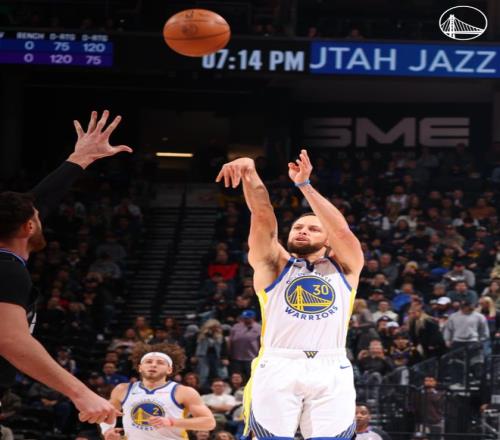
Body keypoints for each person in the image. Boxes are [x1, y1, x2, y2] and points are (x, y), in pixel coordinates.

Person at [215, 150, 364, 439]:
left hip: (331, 364)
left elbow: (342, 232)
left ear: (327, 241)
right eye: (297, 227)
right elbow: (262, 216)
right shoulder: (274, 264)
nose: (302, 231)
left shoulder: (346, 267)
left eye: (313, 229)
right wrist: (250, 173)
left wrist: (305, 186)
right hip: (279, 363)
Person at [0, 110, 131, 424]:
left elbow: (36, 202)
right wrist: (80, 393)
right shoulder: (7, 268)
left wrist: (80, 159)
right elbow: (10, 340)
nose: (42, 214)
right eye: (38, 217)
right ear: (29, 227)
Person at [101, 343, 215, 440]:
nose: (153, 365)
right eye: (148, 361)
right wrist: (107, 430)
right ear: (140, 367)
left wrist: (172, 422)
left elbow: (209, 422)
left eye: (160, 362)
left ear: (169, 369)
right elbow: (106, 414)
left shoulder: (184, 391)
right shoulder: (122, 389)